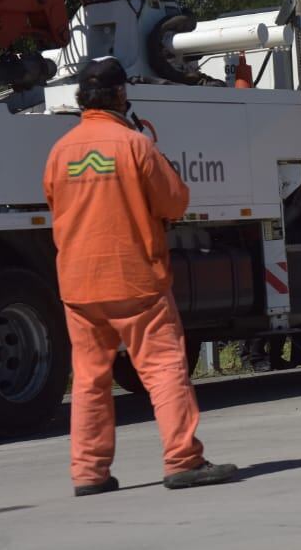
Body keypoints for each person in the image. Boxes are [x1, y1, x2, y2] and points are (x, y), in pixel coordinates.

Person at [42, 57, 236, 496]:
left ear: (80, 98)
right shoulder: (134, 145)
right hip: (135, 280)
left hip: (79, 282)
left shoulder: (60, 153)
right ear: (120, 95)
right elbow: (173, 203)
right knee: (165, 368)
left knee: (90, 379)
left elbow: (55, 204)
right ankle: (183, 460)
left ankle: (89, 474)